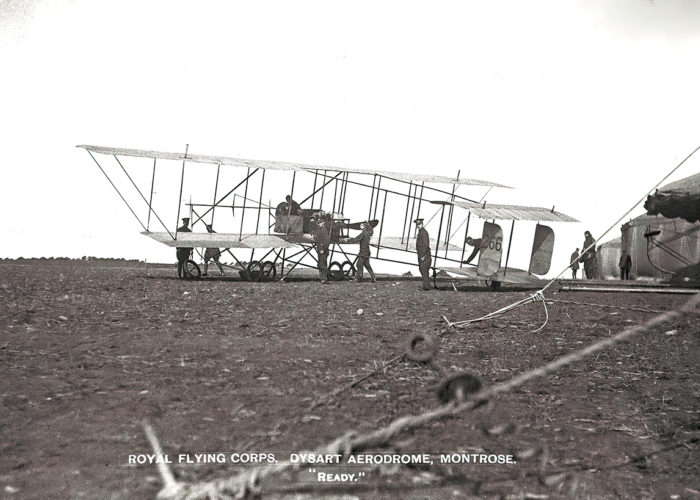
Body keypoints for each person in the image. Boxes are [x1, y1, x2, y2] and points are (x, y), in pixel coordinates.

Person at [415, 218, 432, 290]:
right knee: (423, 269)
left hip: (424, 255)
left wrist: (423, 256)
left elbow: (426, 245)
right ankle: (426, 285)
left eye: (419, 224)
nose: (418, 226)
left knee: (424, 269)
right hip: (422, 255)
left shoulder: (423, 233)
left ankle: (426, 286)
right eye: (417, 225)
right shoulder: (421, 232)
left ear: (422, 224)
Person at [313, 214, 331, 283]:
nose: (319, 224)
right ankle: (322, 278)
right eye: (318, 223)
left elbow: (327, 241)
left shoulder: (323, 230)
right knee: (320, 264)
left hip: (323, 251)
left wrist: (323, 249)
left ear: (323, 223)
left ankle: (324, 279)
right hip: (320, 250)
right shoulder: (319, 230)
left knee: (323, 265)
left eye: (320, 223)